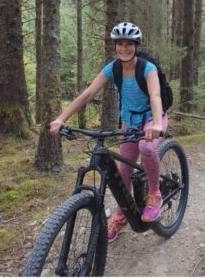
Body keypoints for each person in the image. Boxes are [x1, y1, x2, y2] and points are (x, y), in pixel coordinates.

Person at [49, 22, 166, 242]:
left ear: (136, 45)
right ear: (115, 47)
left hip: (152, 119)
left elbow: (155, 96)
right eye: (120, 44)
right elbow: (87, 95)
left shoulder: (147, 69)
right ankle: (121, 216)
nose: (124, 48)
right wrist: (61, 119)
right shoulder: (112, 69)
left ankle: (154, 194)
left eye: (129, 44)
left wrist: (157, 124)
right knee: (123, 172)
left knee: (147, 148)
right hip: (130, 123)